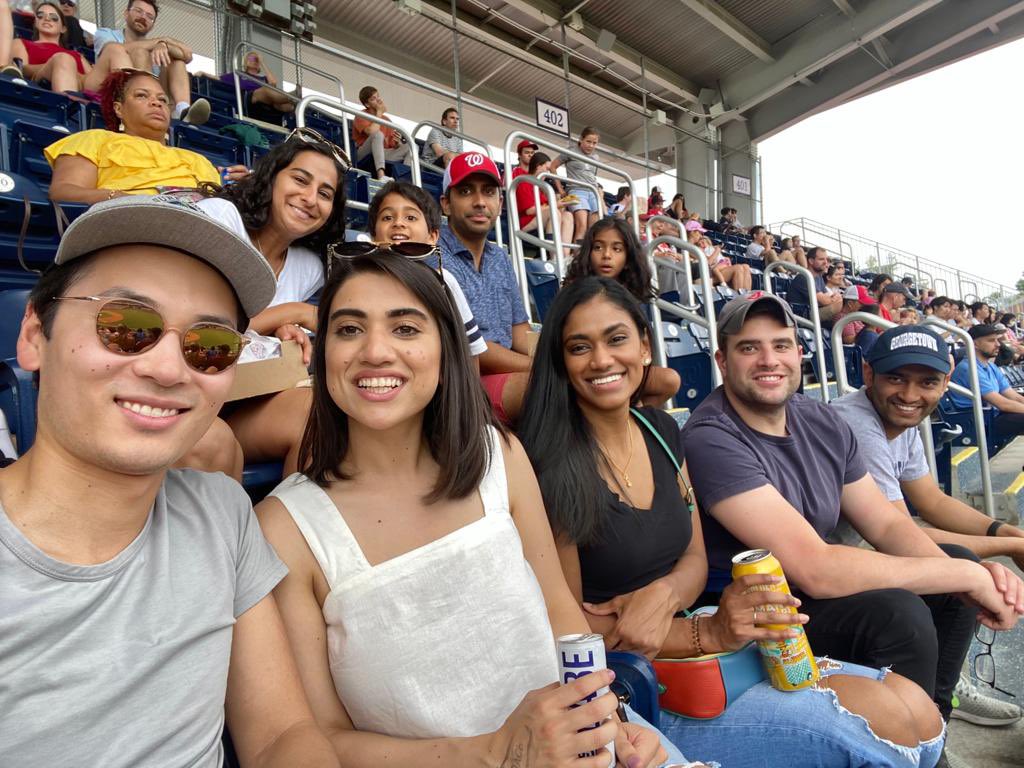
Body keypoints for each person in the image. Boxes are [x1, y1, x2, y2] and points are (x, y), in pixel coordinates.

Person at [254, 252, 684, 768]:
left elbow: (560, 613)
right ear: (324, 353)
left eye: (406, 328)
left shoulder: (497, 454)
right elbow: (323, 738)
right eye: (349, 329)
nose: (374, 351)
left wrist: (608, 723)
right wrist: (493, 754)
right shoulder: (287, 528)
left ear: (445, 350)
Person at [519, 277, 946, 768]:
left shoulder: (661, 431)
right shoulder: (546, 462)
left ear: (643, 345)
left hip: (703, 641)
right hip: (634, 683)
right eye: (579, 347)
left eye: (616, 339)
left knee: (917, 711)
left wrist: (667, 595)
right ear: (561, 360)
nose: (600, 360)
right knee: (881, 728)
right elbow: (570, 630)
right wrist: (707, 634)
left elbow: (694, 557)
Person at [0, 194, 339, 767]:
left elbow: (282, 734)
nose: (166, 367)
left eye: (210, 346)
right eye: (127, 325)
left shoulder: (220, 511)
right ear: (35, 333)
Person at [680, 293, 1023, 734]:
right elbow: (814, 568)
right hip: (747, 614)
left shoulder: (818, 419)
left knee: (954, 565)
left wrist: (965, 572)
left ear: (798, 353)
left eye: (781, 345)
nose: (769, 360)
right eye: (749, 347)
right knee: (899, 612)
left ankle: (929, 729)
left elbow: (885, 524)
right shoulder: (711, 437)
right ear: (723, 361)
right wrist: (969, 577)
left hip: (807, 598)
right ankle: (906, 744)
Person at [831, 325, 1024, 728]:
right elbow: (896, 531)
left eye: (927, 382)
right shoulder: (856, 424)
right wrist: (1002, 552)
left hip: (856, 558)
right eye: (896, 378)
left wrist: (1003, 533)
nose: (910, 394)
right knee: (957, 568)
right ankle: (933, 716)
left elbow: (931, 501)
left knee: (959, 562)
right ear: (869, 374)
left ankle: (940, 694)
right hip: (828, 571)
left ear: (946, 382)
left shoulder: (903, 419)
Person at [227, 179, 489, 474]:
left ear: (433, 236)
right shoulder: (353, 275)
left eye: (411, 217)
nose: (398, 224)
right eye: (387, 217)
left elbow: (469, 358)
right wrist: (297, 316)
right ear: (373, 234)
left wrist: (468, 415)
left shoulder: (445, 282)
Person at [46, 69, 246, 205]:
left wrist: (247, 187)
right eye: (142, 95)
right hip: (127, 219)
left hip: (198, 223)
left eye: (162, 100)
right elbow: (64, 192)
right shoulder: (95, 140)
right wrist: (121, 198)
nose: (156, 103)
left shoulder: (195, 159)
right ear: (119, 109)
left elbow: (220, 206)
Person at [432, 151, 532, 423]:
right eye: (465, 191)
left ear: (499, 203)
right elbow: (473, 348)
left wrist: (554, 355)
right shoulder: (433, 255)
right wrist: (541, 368)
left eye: (488, 192)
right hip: (467, 380)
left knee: (655, 379)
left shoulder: (500, 256)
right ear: (446, 204)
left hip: (512, 373)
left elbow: (519, 329)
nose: (479, 202)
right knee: (553, 389)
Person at [93, 0, 209, 124]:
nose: (143, 17)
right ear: (126, 13)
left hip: (155, 97)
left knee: (176, 61)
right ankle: (142, 105)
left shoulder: (159, 48)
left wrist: (165, 44)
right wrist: (161, 41)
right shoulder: (105, 33)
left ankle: (182, 111)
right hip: (116, 93)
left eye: (149, 16)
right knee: (140, 53)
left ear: (152, 25)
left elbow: (187, 55)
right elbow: (116, 49)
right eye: (138, 11)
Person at [950, 324, 1024, 440]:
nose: (998, 344)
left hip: (994, 415)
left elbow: (1014, 397)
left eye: (997, 340)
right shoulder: (969, 368)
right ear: (974, 344)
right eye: (991, 341)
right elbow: (1003, 404)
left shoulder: (990, 366)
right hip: (979, 421)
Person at [10, 1, 95, 94]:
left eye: (54, 18)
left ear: (63, 28)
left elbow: (92, 78)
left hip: (83, 84)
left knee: (111, 49)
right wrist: (65, 67)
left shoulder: (77, 55)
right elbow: (22, 68)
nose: (46, 19)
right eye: (40, 15)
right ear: (35, 23)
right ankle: (69, 103)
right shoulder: (21, 43)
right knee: (63, 59)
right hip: (43, 80)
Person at [550, 126, 602, 242]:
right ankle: (576, 257)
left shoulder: (596, 157)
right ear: (581, 139)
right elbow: (553, 166)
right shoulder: (571, 151)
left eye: (594, 143)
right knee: (582, 226)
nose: (591, 146)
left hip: (593, 192)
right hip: (577, 191)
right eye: (588, 141)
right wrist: (561, 189)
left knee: (595, 229)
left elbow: (593, 176)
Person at [353, 85, 412, 180]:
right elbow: (371, 132)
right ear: (367, 104)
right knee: (377, 134)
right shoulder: (361, 115)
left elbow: (392, 145)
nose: (378, 100)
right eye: (373, 99)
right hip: (363, 152)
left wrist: (397, 143)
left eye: (378, 96)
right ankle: (381, 175)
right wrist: (379, 112)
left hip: (383, 153)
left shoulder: (387, 120)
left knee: (411, 147)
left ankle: (403, 180)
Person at [222, 50, 295, 119]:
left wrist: (262, 62)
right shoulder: (239, 74)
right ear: (245, 61)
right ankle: (291, 97)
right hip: (249, 97)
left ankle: (296, 103)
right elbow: (218, 78)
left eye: (256, 59)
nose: (254, 61)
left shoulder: (263, 79)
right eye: (251, 58)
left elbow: (273, 83)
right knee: (266, 89)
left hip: (268, 100)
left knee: (288, 106)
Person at [785, 246, 842, 321]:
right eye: (821, 259)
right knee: (841, 304)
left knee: (843, 305)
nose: (825, 262)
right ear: (811, 261)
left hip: (815, 311)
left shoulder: (819, 277)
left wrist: (829, 297)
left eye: (826, 259)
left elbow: (828, 297)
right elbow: (825, 301)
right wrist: (829, 298)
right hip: (803, 316)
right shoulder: (804, 277)